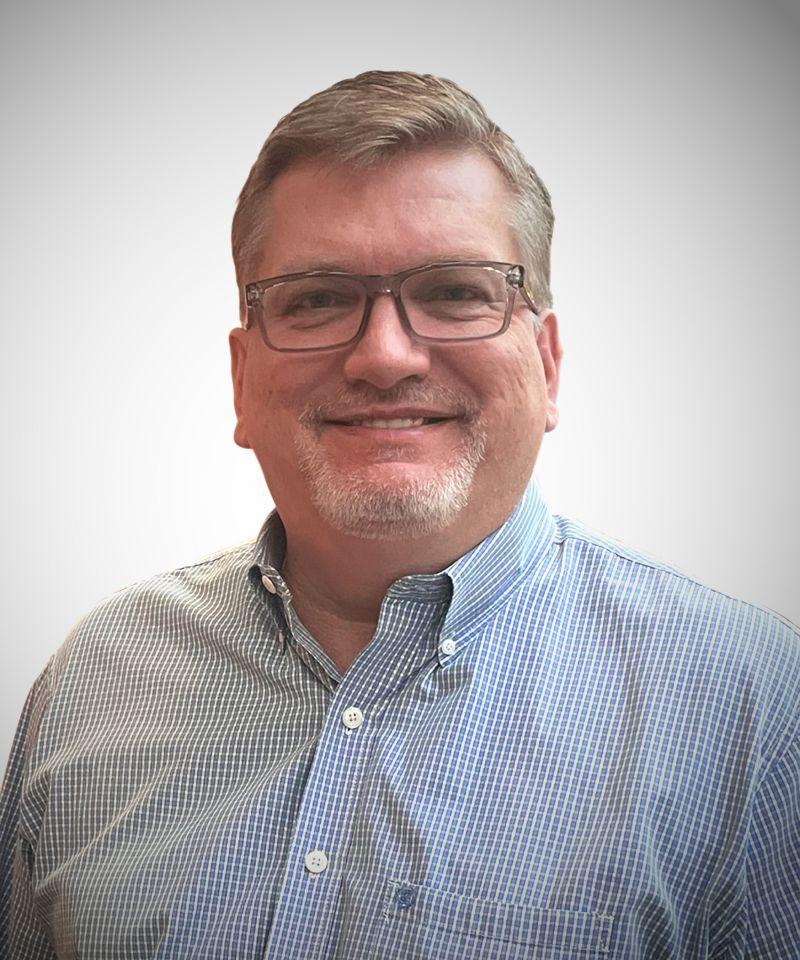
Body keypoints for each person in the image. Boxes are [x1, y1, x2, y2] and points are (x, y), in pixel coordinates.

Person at [1, 70, 798, 960]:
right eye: (317, 299)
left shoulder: (754, 706)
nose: (384, 356)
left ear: (547, 364)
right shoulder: (97, 678)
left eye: (455, 291)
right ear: (241, 378)